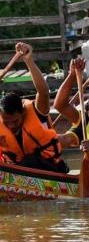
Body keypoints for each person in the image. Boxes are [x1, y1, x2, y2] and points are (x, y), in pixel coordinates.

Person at [0, 43, 68, 173]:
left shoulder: (37, 113)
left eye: (15, 121)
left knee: (29, 160)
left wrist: (28, 60)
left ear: (23, 112)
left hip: (48, 168)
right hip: (17, 172)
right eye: (6, 122)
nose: (11, 126)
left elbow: (43, 92)